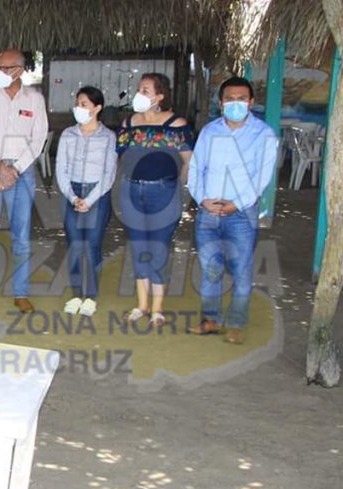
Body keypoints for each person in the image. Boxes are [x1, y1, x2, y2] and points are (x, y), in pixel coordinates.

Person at [187, 77, 277, 345]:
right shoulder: (209, 132)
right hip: (208, 210)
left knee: (241, 269)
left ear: (251, 102)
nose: (235, 103)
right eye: (229, 98)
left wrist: (236, 203)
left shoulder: (263, 135)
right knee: (210, 268)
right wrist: (202, 199)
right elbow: (196, 168)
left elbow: (263, 177)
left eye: (241, 98)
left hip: (241, 213)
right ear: (220, 102)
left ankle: (236, 323)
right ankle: (210, 320)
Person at [0, 49, 48, 313]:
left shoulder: (35, 99)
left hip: (21, 172)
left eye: (6, 68)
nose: (1, 72)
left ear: (20, 70)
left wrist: (15, 169)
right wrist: (0, 166)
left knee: (21, 235)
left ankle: (21, 293)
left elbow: (38, 139)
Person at [116, 73, 193, 327]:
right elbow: (122, 157)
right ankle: (142, 305)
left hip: (164, 192)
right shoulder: (128, 123)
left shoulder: (175, 124)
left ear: (160, 96)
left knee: (159, 248)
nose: (140, 94)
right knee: (138, 248)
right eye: (139, 89)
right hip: (132, 191)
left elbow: (187, 162)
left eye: (146, 90)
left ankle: (158, 309)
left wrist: (177, 190)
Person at [55, 86, 117, 317]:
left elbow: (108, 173)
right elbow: (60, 168)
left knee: (91, 245)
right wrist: (72, 196)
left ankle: (90, 296)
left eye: (84, 105)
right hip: (71, 189)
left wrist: (89, 200)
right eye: (77, 103)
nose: (78, 108)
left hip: (96, 194)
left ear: (97, 108)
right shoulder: (68, 134)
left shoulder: (108, 137)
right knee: (74, 244)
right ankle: (74, 294)